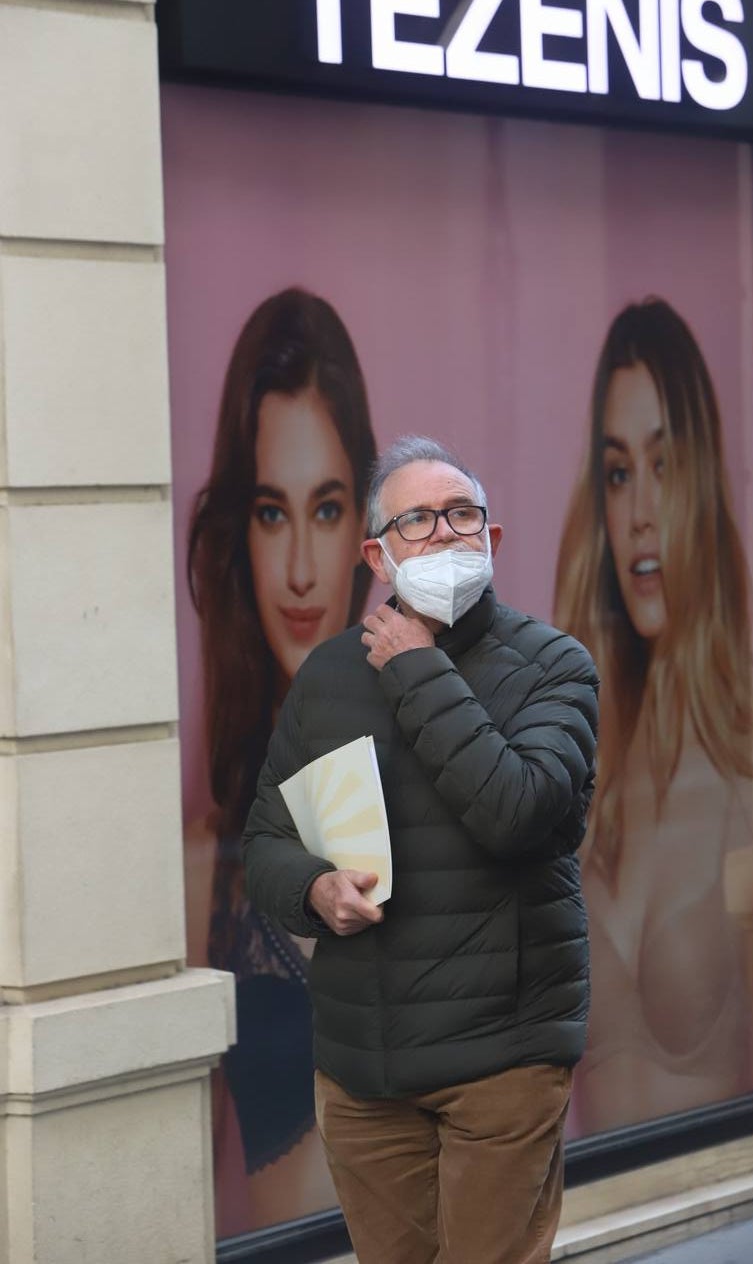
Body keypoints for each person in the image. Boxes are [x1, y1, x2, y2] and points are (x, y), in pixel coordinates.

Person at [242, 435, 599, 1264]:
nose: (443, 532)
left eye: (462, 514)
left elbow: (517, 813)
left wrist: (417, 670)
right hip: (363, 1069)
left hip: (502, 1060)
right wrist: (313, 890)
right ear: (377, 554)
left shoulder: (554, 667)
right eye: (417, 520)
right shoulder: (328, 677)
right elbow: (265, 839)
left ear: (493, 539)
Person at [554, 298, 753, 1136]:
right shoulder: (587, 774)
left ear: (705, 483)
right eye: (618, 472)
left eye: (665, 465)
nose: (640, 509)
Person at [185, 286, 377, 1228]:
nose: (301, 569)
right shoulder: (204, 859)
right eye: (271, 513)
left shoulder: (428, 762)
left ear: (365, 531)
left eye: (327, 507)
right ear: (240, 534)